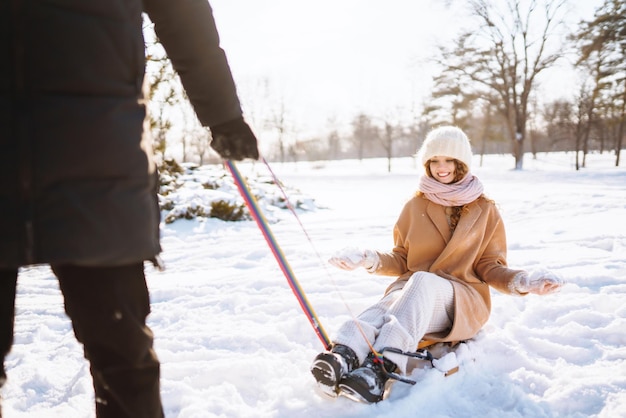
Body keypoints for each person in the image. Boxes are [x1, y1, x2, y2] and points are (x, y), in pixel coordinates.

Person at [1, 1, 258, 417]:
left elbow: (184, 14)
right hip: (101, 153)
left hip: (98, 152)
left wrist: (223, 115)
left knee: (121, 352)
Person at [310, 126, 563, 403]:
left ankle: (381, 368)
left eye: (448, 160)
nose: (441, 168)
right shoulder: (414, 207)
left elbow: (490, 265)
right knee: (393, 298)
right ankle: (343, 354)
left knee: (422, 281)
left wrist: (524, 281)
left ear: (461, 163)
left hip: (461, 300)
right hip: (415, 294)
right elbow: (403, 259)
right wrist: (368, 259)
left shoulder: (485, 210)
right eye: (434, 161)